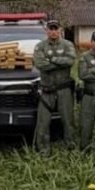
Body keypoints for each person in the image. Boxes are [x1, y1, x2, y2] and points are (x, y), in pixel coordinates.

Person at [32, 19, 77, 154]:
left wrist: (51, 60)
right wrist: (59, 63)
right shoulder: (40, 46)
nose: (53, 31)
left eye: (55, 28)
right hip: (46, 90)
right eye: (50, 29)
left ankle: (71, 146)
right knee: (43, 121)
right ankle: (43, 149)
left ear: (60, 30)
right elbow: (40, 64)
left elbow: (70, 61)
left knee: (68, 120)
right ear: (46, 30)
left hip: (64, 88)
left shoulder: (68, 44)